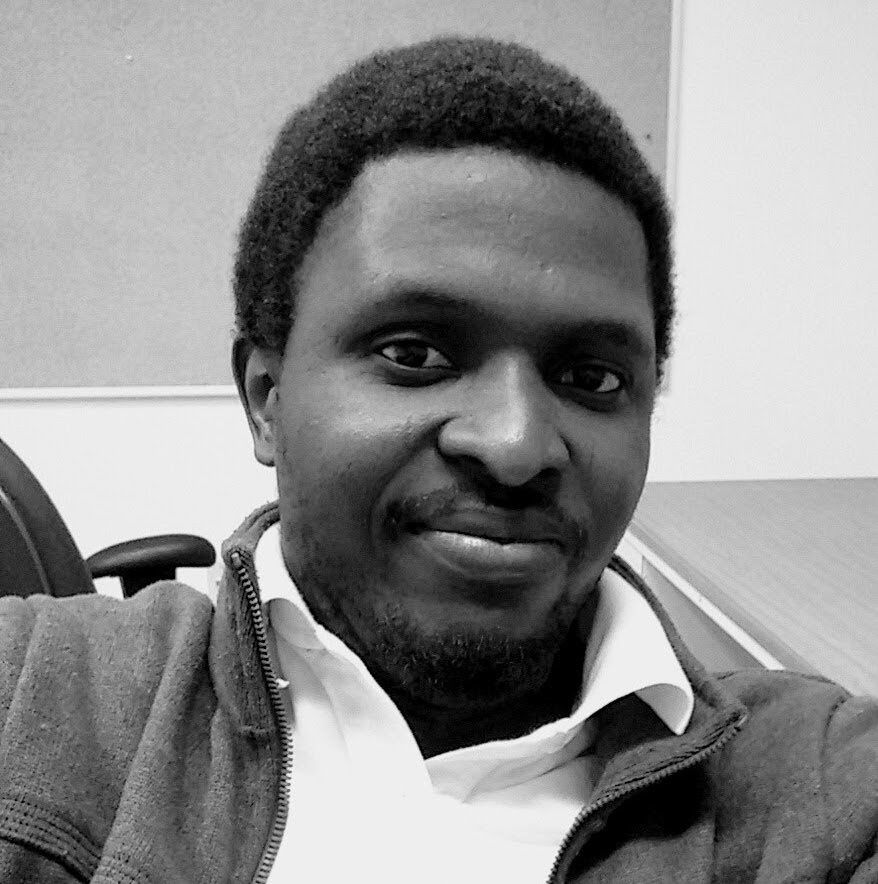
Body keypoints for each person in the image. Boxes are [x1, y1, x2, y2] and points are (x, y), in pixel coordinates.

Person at [0, 36, 875, 884]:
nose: (517, 445)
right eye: (415, 354)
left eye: (592, 376)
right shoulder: (34, 699)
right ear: (267, 396)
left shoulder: (830, 790)